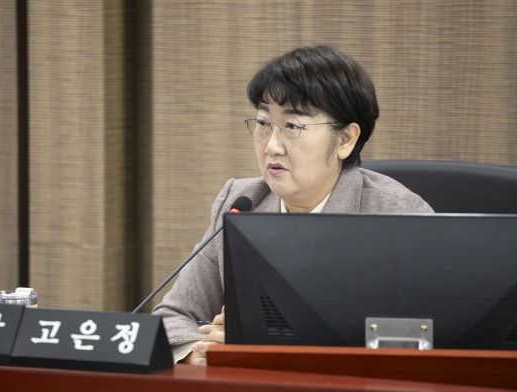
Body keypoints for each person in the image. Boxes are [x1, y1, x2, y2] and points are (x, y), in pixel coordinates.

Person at [152, 45, 434, 365]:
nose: (272, 146)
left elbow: (427, 340)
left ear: (345, 139)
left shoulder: (400, 216)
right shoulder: (241, 203)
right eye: (263, 123)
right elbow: (172, 316)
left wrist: (268, 348)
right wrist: (203, 352)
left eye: (293, 126)